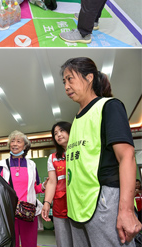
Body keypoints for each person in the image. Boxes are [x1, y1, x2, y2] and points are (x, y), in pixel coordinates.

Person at [60, 57, 140, 245]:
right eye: (64, 81)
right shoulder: (76, 120)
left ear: (89, 78)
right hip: (77, 207)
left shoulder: (108, 106)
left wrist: (126, 211)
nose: (66, 86)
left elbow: (127, 156)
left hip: (103, 201)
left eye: (70, 79)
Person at [0, 130, 43, 247]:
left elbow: (36, 188)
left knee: (30, 243)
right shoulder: (2, 164)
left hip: (28, 211)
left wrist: (43, 186)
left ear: (25, 145)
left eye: (18, 141)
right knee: (12, 244)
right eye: (12, 141)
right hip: (9, 211)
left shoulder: (32, 165)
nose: (14, 144)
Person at [41, 121, 73, 247]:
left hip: (80, 203)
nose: (58, 135)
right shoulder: (53, 157)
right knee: (63, 241)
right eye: (55, 133)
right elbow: (52, 182)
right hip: (60, 204)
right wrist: (47, 203)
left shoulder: (81, 151)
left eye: (62, 131)